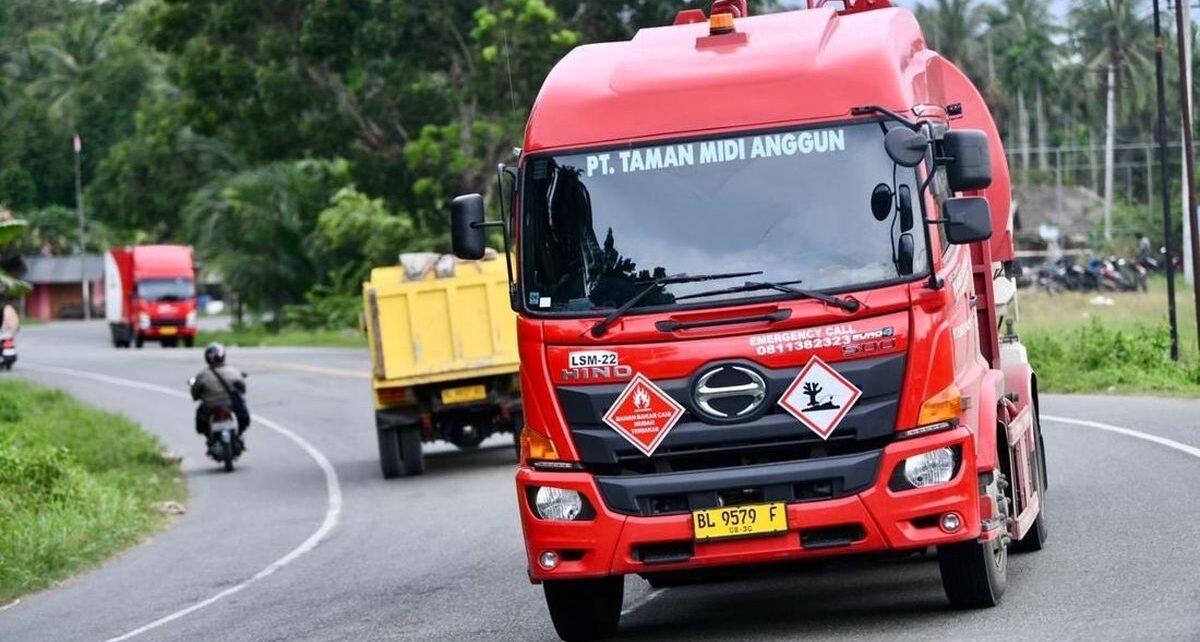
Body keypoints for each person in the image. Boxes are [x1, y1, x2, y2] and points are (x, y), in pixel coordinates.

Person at [190, 342, 249, 442]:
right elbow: (242, 389)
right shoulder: (233, 371)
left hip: (210, 406)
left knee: (201, 419)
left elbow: (195, 394)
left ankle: (210, 438)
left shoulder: (202, 375)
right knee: (243, 414)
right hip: (231, 405)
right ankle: (239, 435)